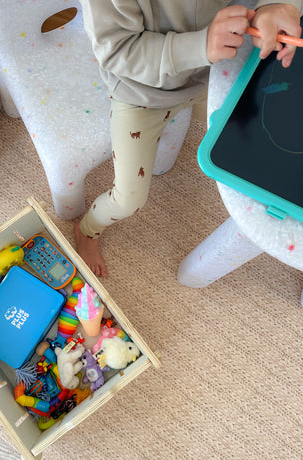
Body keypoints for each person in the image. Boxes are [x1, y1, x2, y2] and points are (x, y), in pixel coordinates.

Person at [74, 1, 303, 277]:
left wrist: (277, 6)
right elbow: (117, 51)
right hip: (141, 93)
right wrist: (200, 45)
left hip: (214, 70)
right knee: (128, 199)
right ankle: (87, 230)